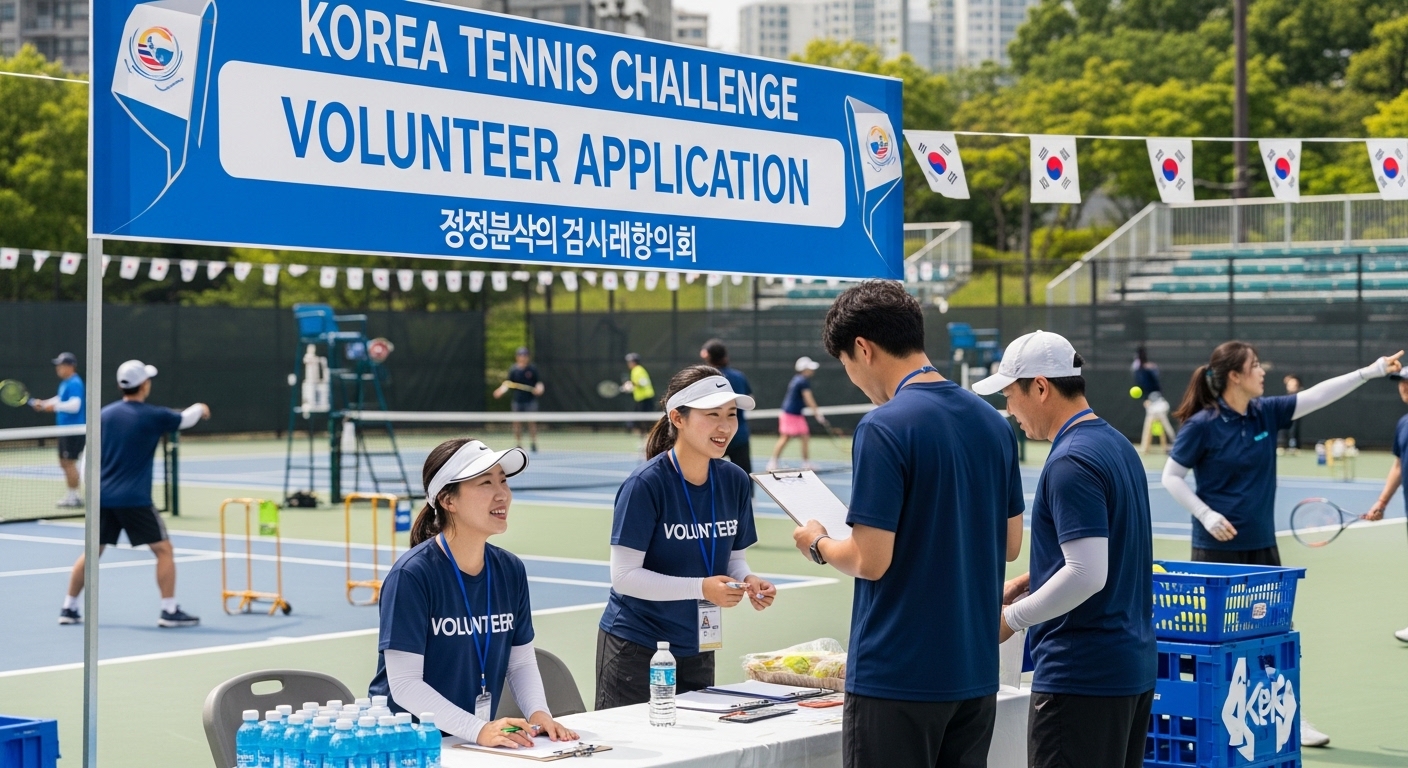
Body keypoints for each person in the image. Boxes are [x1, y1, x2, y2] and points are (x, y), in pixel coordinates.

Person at [791, 281, 1024, 768]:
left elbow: (869, 561)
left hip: (899, 674)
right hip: (974, 672)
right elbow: (1010, 544)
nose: (854, 378)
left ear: (863, 348)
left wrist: (818, 542)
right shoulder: (994, 423)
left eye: (847, 366)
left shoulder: (884, 426)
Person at [1161, 341, 1404, 748]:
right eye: (1255, 366)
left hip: (1262, 549)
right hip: (1215, 554)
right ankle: (1202, 723)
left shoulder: (1265, 412)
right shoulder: (1202, 424)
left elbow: (1317, 395)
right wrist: (1206, 514)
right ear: (1235, 376)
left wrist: (1372, 370)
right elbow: (1172, 476)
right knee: (1211, 644)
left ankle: (1289, 718)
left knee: (1274, 637)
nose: (1262, 372)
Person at [977, 331, 1156, 768]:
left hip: (1081, 678)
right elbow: (1101, 558)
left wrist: (1010, 619)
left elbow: (1087, 574)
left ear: (1040, 387)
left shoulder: (1070, 460)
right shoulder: (1116, 444)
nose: (1009, 410)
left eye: (1010, 395)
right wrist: (1026, 582)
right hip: (1128, 668)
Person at [369, 438, 578, 749]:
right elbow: (404, 684)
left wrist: (539, 713)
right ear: (447, 500)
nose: (502, 494)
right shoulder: (412, 576)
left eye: (503, 481)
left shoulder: (510, 570)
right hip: (405, 746)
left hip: (469, 741)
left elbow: (519, 662)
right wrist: (478, 729)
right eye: (485, 483)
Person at [596, 365, 776, 710]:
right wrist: (702, 589)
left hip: (698, 645)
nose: (725, 427)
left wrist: (748, 580)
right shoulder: (645, 485)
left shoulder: (735, 480)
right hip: (637, 648)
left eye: (731, 415)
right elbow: (623, 577)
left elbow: (733, 557)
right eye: (712, 415)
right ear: (677, 418)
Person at [59, 360, 209, 628]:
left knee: (92, 552)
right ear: (145, 385)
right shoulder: (153, 415)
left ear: (121, 386)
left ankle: (68, 607)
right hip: (134, 499)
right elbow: (186, 418)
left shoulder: (104, 414)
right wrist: (201, 407)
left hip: (102, 498)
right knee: (164, 550)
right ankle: (169, 610)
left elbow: (89, 453)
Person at [1365, 371, 1408, 643]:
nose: (1403, 387)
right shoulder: (1403, 423)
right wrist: (1381, 503)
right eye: (1402, 383)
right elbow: (1398, 466)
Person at [30, 352, 85, 508]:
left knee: (69, 462)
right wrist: (44, 403)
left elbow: (75, 405)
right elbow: (60, 399)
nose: (58, 368)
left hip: (73, 431)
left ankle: (75, 497)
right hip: (64, 430)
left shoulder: (74, 382)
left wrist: (53, 407)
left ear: (70, 366)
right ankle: (72, 495)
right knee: (64, 462)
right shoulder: (66, 383)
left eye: (61, 365)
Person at [766, 356, 829, 471]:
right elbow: (809, 399)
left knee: (804, 436)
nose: (812, 370)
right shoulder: (802, 381)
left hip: (795, 414)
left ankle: (806, 463)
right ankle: (773, 462)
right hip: (790, 414)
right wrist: (818, 415)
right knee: (785, 437)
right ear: (804, 369)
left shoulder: (798, 379)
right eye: (810, 368)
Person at [700, 339, 754, 472]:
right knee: (744, 481)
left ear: (707, 356)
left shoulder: (704, 379)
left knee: (702, 479)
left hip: (712, 437)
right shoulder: (739, 376)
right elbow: (751, 397)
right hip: (739, 436)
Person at [492, 347, 544, 453]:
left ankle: (533, 443)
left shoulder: (532, 369)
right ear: (517, 357)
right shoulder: (514, 370)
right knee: (517, 424)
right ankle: (519, 444)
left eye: (525, 355)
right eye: (521, 355)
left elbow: (539, 383)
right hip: (517, 401)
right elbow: (508, 383)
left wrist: (539, 389)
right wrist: (500, 391)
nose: (523, 357)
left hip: (530, 401)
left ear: (528, 357)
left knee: (532, 423)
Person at [1132, 346, 1175, 454]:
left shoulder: (1148, 369)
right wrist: (1146, 399)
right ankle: (1147, 447)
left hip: (1158, 402)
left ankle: (1174, 443)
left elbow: (1155, 384)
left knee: (1161, 423)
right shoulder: (1140, 370)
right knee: (1155, 424)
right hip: (1152, 403)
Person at [621, 353, 655, 434]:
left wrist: (630, 385)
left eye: (629, 362)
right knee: (641, 419)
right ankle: (644, 436)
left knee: (645, 419)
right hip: (641, 398)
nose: (628, 364)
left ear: (633, 362)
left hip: (646, 398)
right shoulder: (636, 370)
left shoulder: (638, 370)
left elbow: (643, 382)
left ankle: (648, 437)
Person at [1278, 374, 1303, 454]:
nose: (1291, 386)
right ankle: (1282, 445)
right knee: (1283, 429)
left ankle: (1293, 447)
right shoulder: (1284, 398)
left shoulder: (1299, 397)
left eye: (1293, 384)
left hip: (1296, 415)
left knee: (1293, 429)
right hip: (1285, 416)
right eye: (1289, 384)